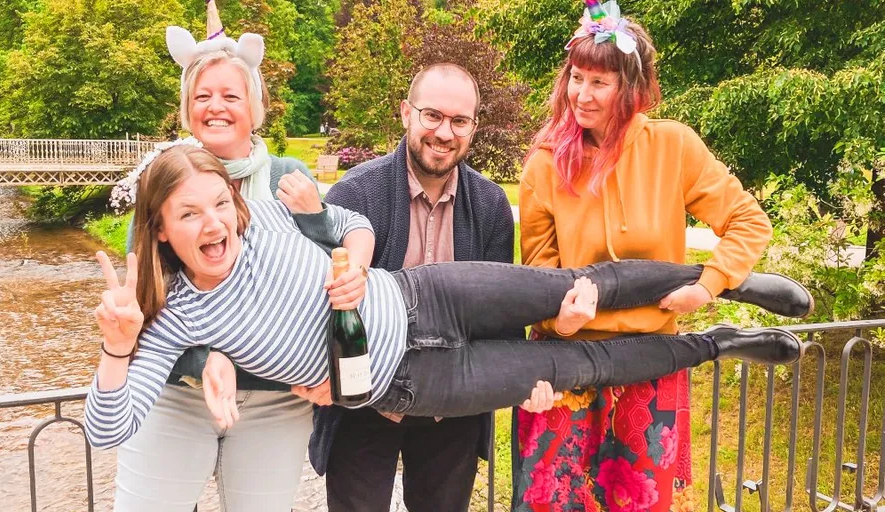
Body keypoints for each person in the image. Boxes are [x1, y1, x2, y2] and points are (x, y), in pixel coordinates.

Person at [84, 145, 809, 460]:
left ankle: (726, 280)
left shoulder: (269, 215)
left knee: (578, 284)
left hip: (427, 294)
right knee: (583, 365)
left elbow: (352, 223)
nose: (214, 223)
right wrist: (118, 347)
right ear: (160, 229)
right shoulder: (174, 318)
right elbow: (106, 430)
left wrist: (355, 259)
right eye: (189, 214)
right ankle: (719, 343)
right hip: (412, 383)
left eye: (219, 203)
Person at [513, 1, 806, 509]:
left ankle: (726, 335)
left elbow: (748, 220)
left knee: (639, 502)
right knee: (551, 501)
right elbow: (538, 272)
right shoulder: (544, 164)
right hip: (565, 361)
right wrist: (559, 320)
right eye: (576, 78)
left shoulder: (673, 146)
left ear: (630, 88)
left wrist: (707, 285)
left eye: (599, 83)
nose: (582, 94)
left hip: (650, 363)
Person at [107, 3, 358, 510]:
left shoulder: (288, 176)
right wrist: (205, 359)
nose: (215, 107)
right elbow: (146, 305)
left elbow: (329, 276)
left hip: (278, 401)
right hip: (178, 394)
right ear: (187, 109)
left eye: (230, 95)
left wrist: (336, 368)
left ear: (254, 105)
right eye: (202, 96)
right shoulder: (160, 181)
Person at [311, 63, 517, 512]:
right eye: (432, 115)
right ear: (406, 113)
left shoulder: (490, 207)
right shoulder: (355, 194)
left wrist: (522, 377)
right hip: (365, 401)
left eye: (459, 121)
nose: (444, 132)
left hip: (452, 406)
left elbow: (501, 317)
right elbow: (319, 305)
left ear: (474, 127)